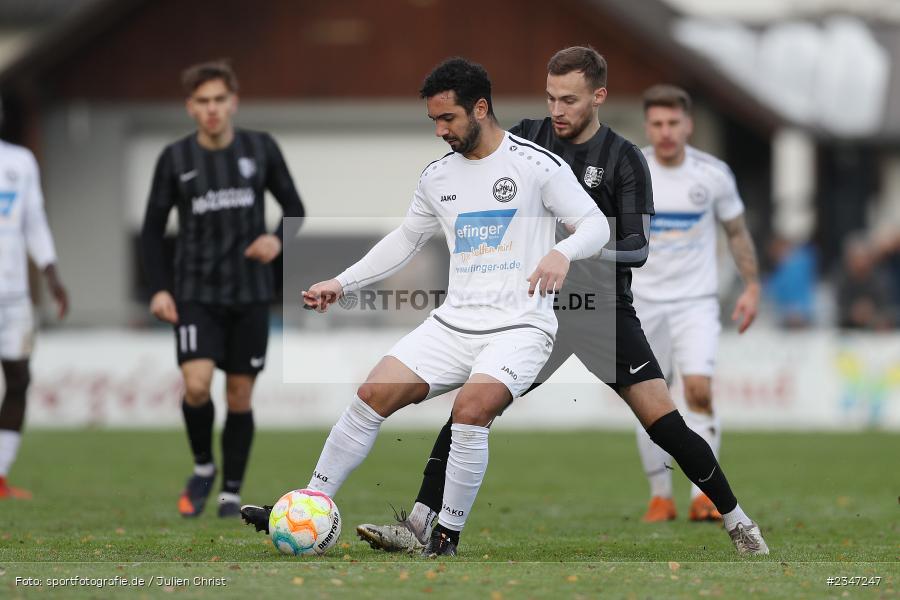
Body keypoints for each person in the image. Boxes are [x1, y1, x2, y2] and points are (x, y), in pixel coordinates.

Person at [351, 48, 768, 556]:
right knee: (471, 410)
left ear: (599, 97)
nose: (557, 110)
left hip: (601, 312)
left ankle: (739, 522)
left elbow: (637, 247)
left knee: (664, 423)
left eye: (569, 100)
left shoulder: (624, 158)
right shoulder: (526, 138)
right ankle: (419, 524)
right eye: (550, 98)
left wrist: (570, 252)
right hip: (530, 313)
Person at [241, 56, 610, 556]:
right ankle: (309, 504)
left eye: (448, 118)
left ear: (480, 108)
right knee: (371, 394)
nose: (440, 130)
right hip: (453, 325)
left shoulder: (535, 165)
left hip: (521, 328)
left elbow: (595, 224)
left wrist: (562, 252)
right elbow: (405, 240)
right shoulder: (437, 177)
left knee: (470, 411)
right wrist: (343, 283)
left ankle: (444, 536)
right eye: (434, 120)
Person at [140, 60, 305, 518]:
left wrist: (277, 239)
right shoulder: (175, 159)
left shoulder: (260, 148)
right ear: (190, 107)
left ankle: (231, 492)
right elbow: (152, 230)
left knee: (239, 396)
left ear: (233, 102)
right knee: (196, 386)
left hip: (250, 293)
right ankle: (203, 466)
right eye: (202, 101)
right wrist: (159, 289)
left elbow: (294, 207)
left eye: (218, 100)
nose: (211, 109)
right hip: (195, 293)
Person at [632, 84, 762, 523]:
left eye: (673, 122)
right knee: (648, 398)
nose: (666, 132)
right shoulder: (633, 169)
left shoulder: (713, 174)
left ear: (688, 124)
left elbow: (737, 232)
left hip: (695, 301)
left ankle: (702, 496)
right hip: (641, 301)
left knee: (699, 391)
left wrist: (752, 286)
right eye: (657, 124)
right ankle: (660, 496)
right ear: (647, 126)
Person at [0, 114, 69, 500]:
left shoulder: (20, 161)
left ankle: (0, 476)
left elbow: (34, 221)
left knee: (19, 380)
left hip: (13, 295)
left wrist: (51, 273)